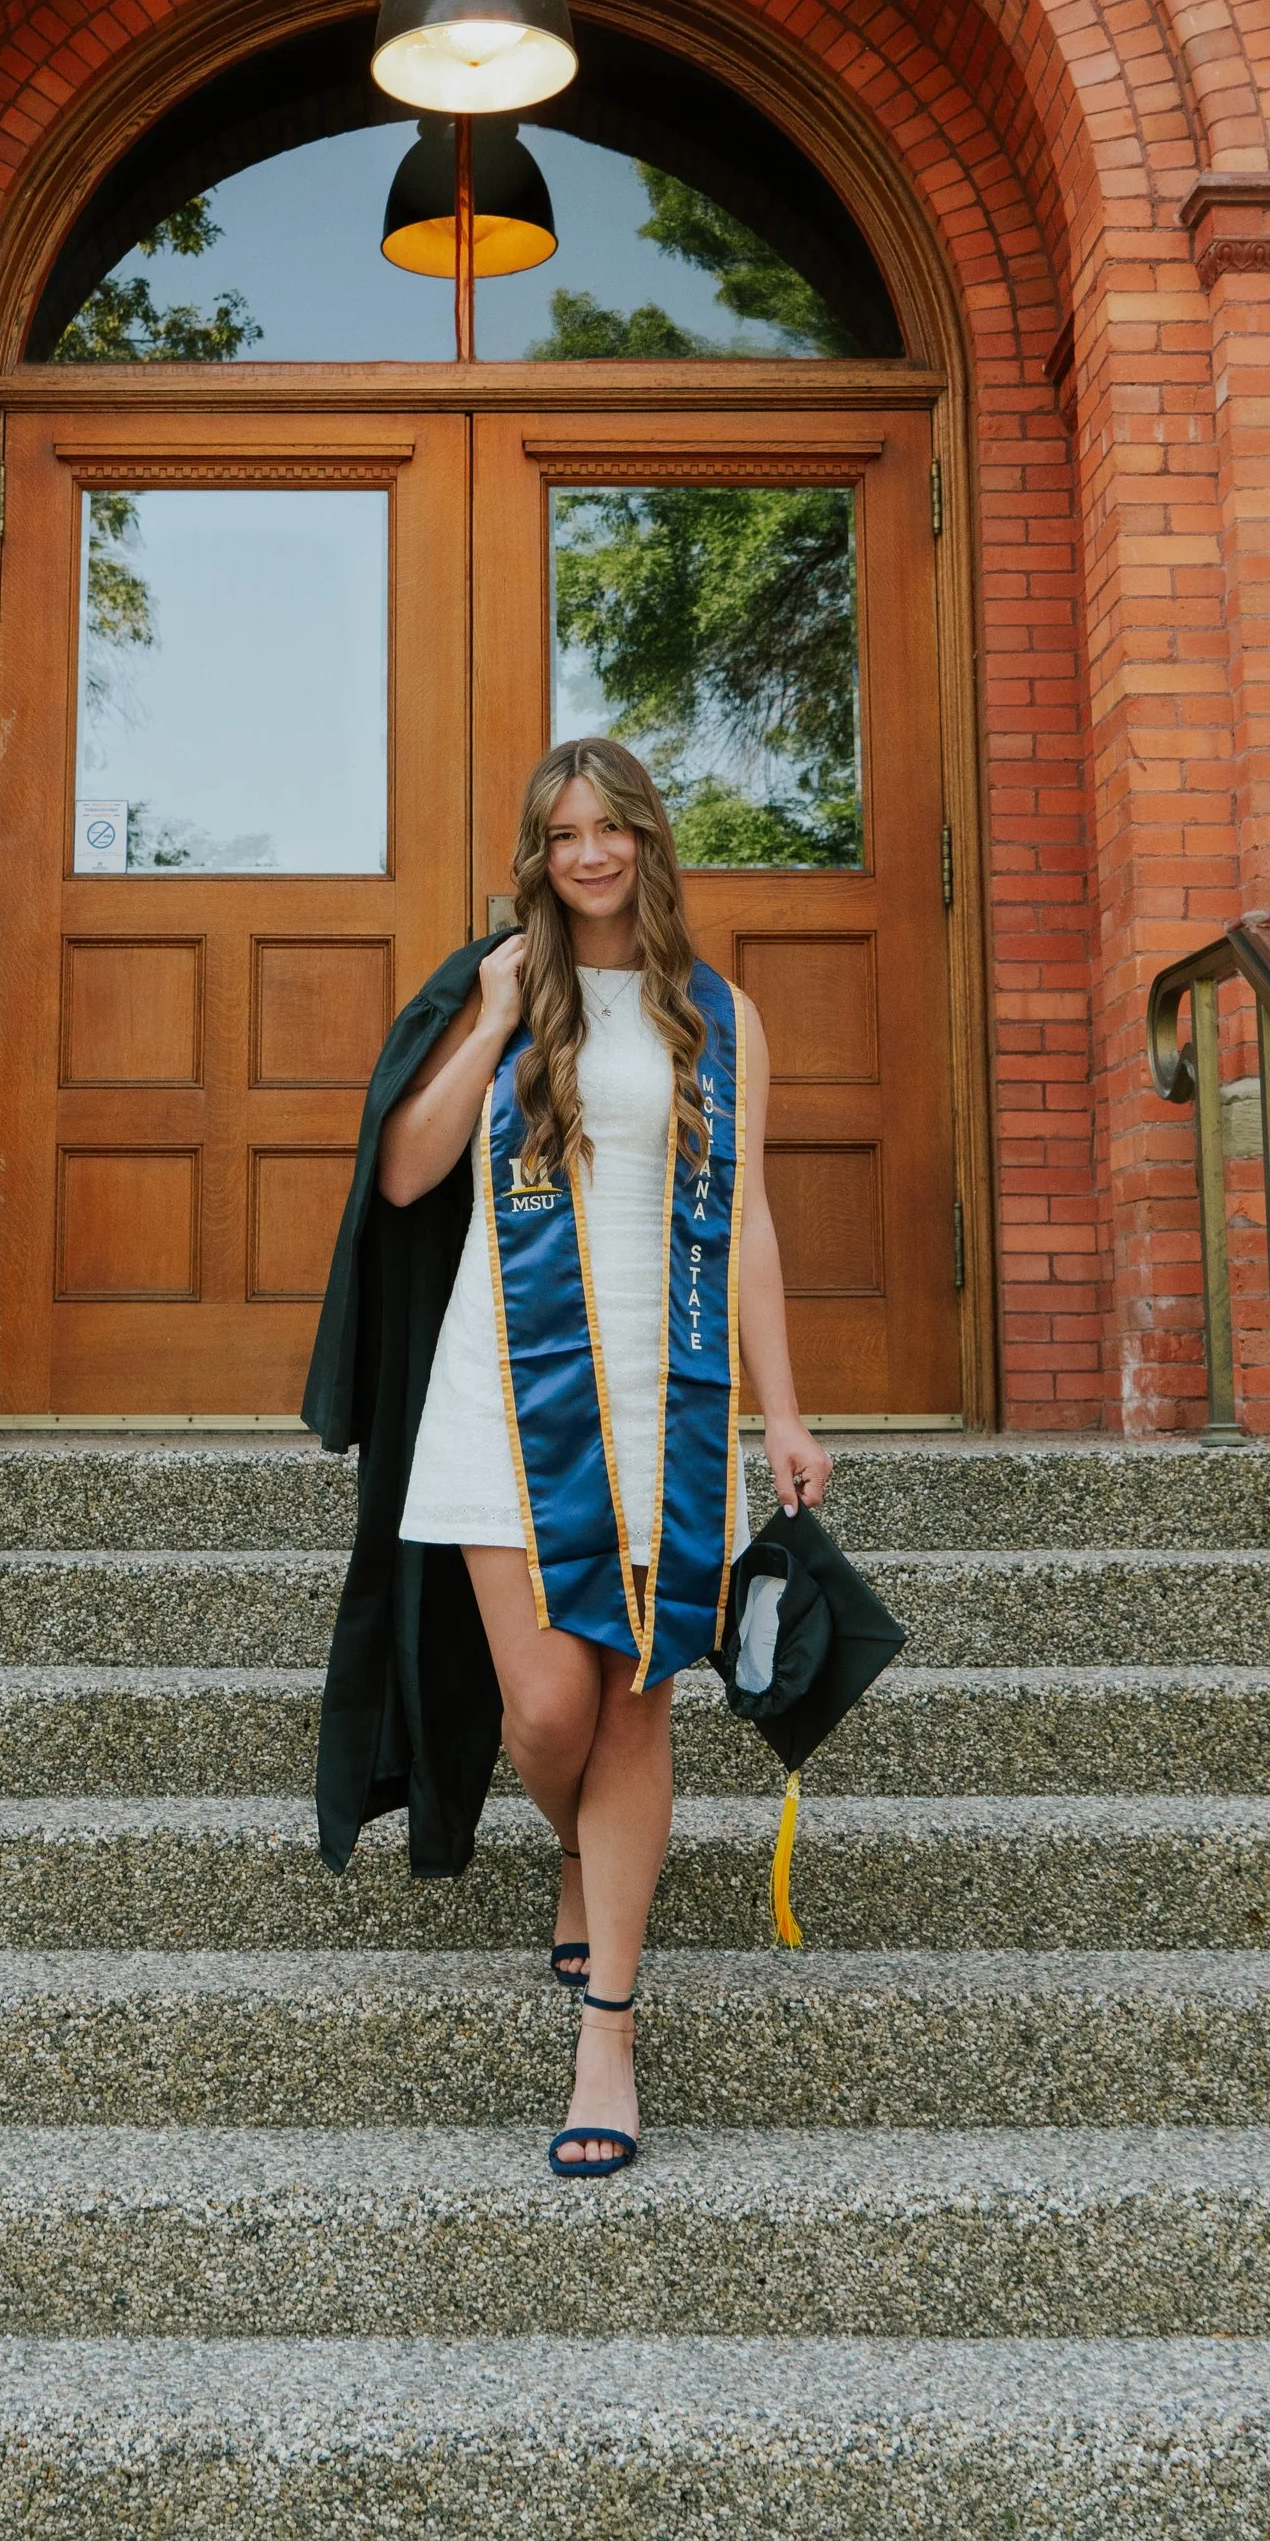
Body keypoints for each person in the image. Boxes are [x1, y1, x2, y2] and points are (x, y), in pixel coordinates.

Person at [306, 735, 831, 2178]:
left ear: (651, 842)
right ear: (536, 856)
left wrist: (782, 1413)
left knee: (639, 1705)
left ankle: (609, 2030)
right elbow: (404, 1173)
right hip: (505, 1391)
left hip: (669, 1391)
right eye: (562, 834)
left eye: (612, 828)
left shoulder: (718, 1017)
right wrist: (485, 1022)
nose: (590, 854)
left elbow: (758, 1224)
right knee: (550, 1711)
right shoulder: (494, 992)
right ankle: (576, 1845)